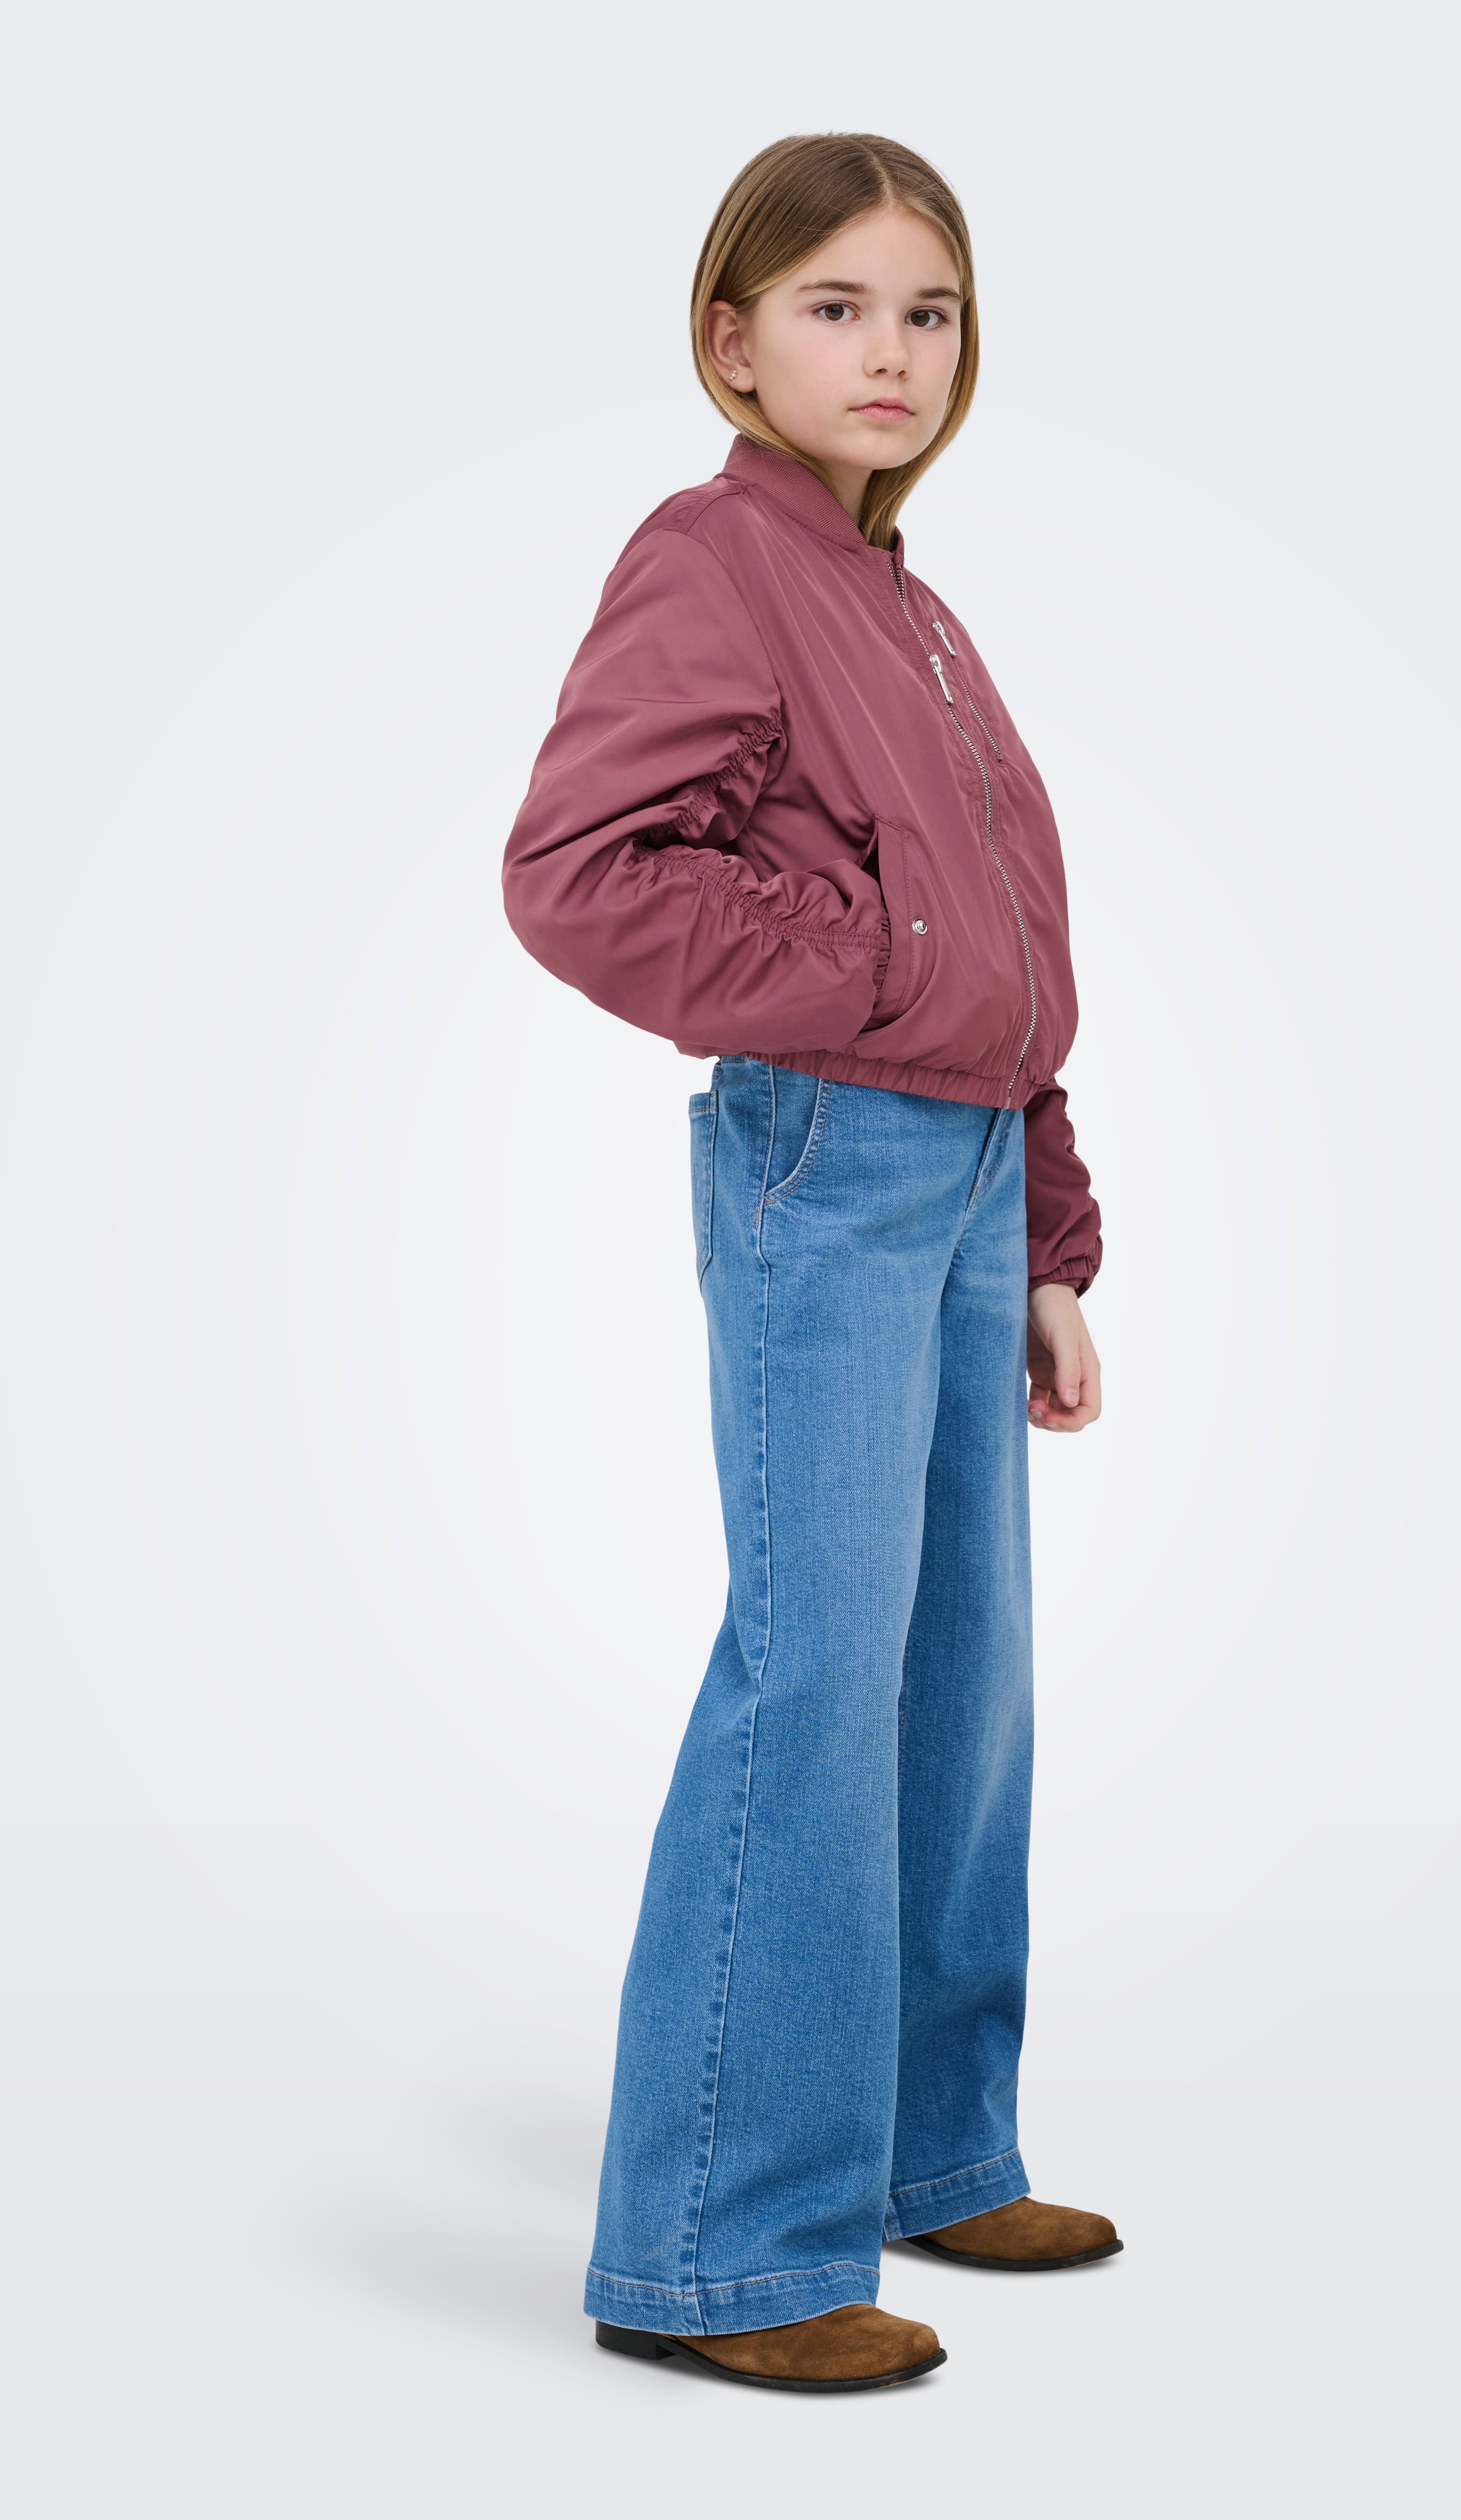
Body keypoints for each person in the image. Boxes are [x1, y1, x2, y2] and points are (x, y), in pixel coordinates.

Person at [504, 132, 1114, 2395]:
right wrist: (868, 966)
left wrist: (1049, 1232)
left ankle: (931, 2141)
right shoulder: (716, 558)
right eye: (837, 307)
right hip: (830, 1164)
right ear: (731, 340)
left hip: (963, 1183)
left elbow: (1013, 962)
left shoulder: (905, 606)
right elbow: (581, 870)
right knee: (816, 1673)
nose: (891, 352)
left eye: (927, 313)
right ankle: (720, 2249)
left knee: (962, 1681)